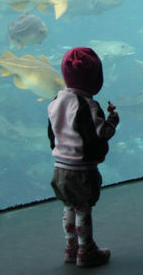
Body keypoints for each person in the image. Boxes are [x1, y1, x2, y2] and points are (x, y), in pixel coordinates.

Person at [47, 47, 119, 268]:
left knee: (69, 207)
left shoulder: (55, 102)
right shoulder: (88, 106)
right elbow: (101, 133)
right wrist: (112, 121)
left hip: (59, 168)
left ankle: (71, 248)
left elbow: (51, 133)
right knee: (83, 210)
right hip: (81, 170)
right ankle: (86, 250)